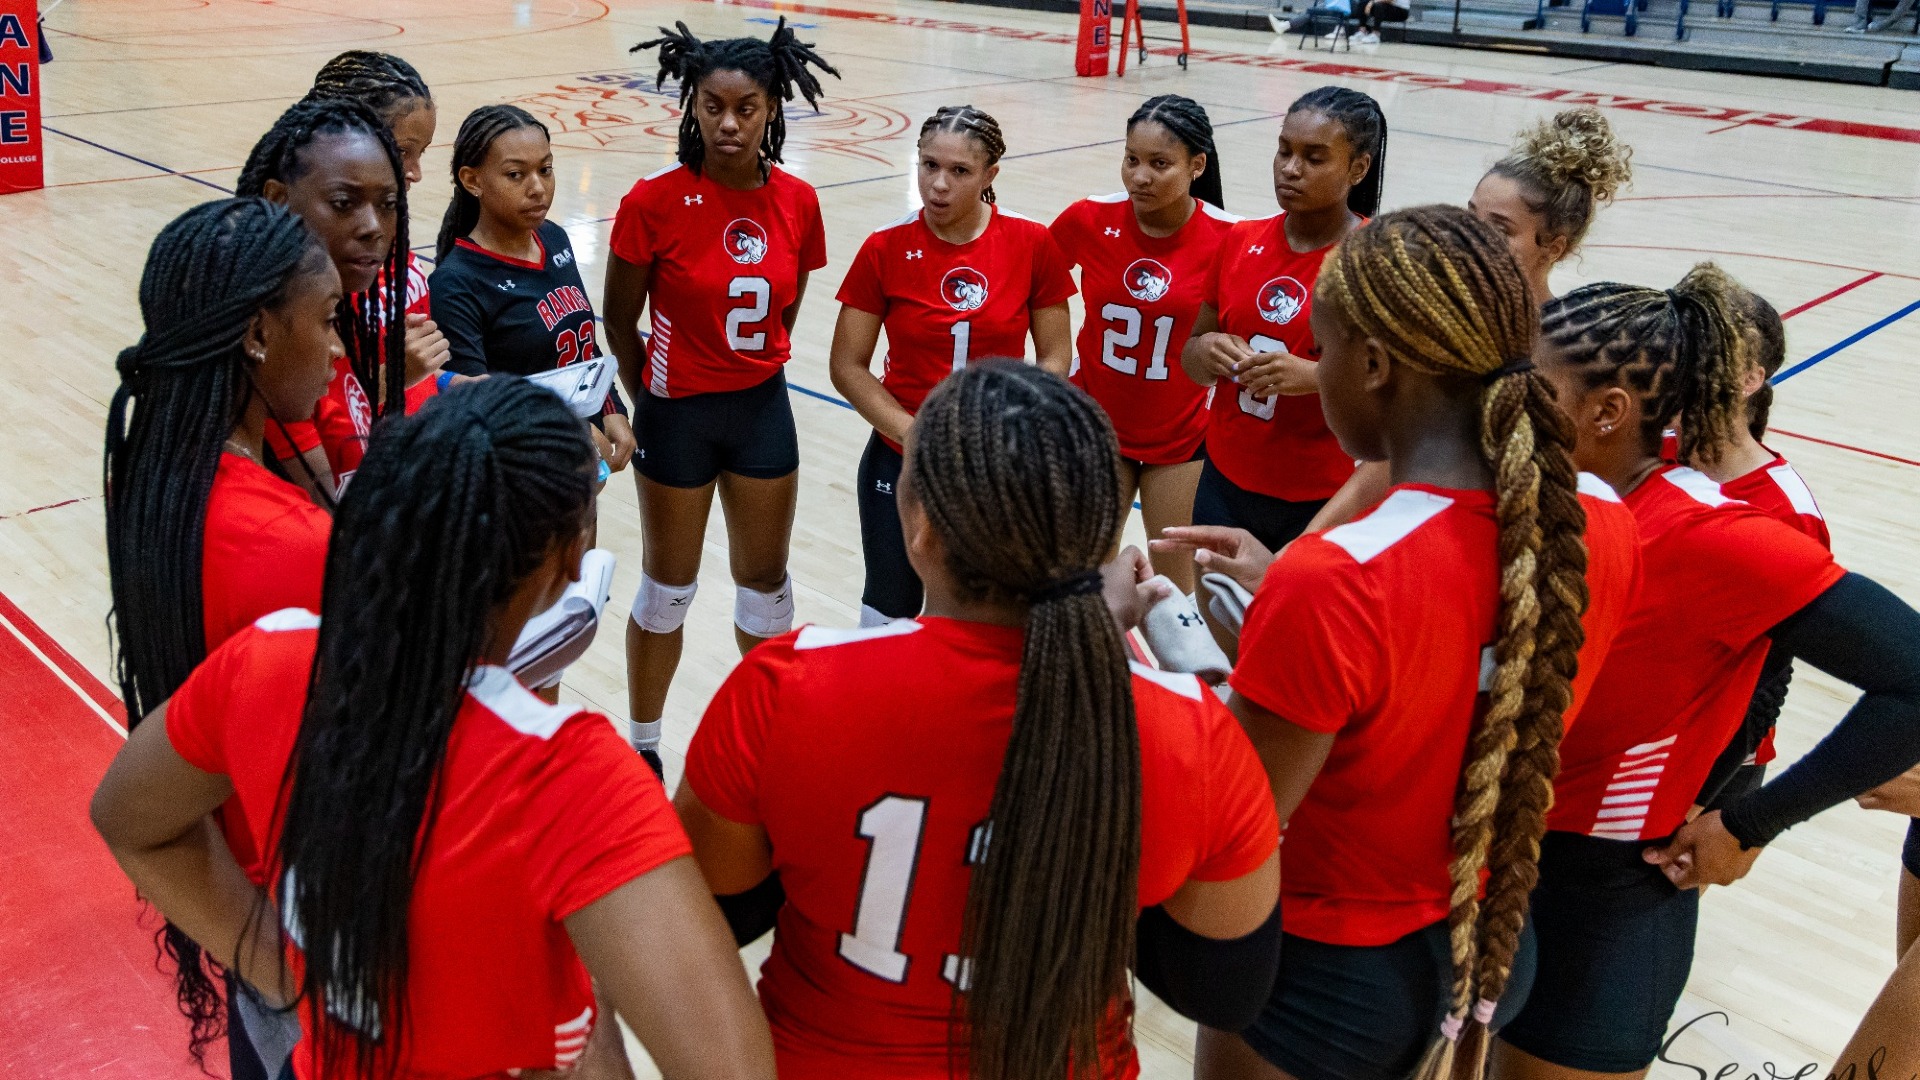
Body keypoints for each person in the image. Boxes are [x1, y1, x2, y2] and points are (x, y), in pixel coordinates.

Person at [89, 378, 778, 1080]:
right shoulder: (571, 771)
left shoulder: (265, 661)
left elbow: (128, 816)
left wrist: (284, 969)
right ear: (573, 561)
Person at [674, 361, 1282, 1080]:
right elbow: (1223, 988)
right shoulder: (1192, 733)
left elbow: (710, 919)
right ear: (1097, 539)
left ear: (922, 528)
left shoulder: (786, 687)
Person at [1191, 206, 1639, 1080]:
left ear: (1371, 362)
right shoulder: (1605, 523)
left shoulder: (1334, 578)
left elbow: (1235, 826)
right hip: (1490, 939)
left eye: (1322, 353)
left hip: (1323, 977)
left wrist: (1154, 681)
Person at [1494, 267, 1920, 1080]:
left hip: (1607, 898)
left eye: (1531, 380)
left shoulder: (1713, 532)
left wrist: (1749, 822)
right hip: (1499, 866)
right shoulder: (1534, 495)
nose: (1507, 395)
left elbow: (1912, 677)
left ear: (1609, 410)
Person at [102, 197, 341, 1074]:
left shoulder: (159, 478)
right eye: (325, 321)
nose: (340, 346)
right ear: (255, 336)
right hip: (307, 934)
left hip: (238, 902)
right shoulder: (288, 546)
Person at [603, 19, 837, 771]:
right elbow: (619, 320)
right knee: (668, 588)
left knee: (765, 586)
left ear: (773, 109)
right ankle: (644, 744)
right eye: (712, 106)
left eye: (746, 108)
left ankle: (767, 737)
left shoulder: (799, 201)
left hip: (763, 409)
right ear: (690, 106)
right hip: (677, 417)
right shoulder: (654, 202)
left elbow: (787, 306)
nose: (728, 123)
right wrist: (657, 398)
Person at [830, 105, 1075, 626]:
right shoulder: (884, 248)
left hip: (997, 463)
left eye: (959, 171)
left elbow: (1056, 354)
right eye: (927, 165)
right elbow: (848, 366)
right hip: (900, 457)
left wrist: (1011, 423)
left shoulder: (1031, 243)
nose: (938, 185)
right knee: (887, 609)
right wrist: (915, 432)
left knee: (987, 616)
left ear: (990, 176)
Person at [1179, 86, 1385, 554]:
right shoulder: (1239, 239)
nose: (1291, 169)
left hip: (1321, 496)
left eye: (1314, 158)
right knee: (1218, 622)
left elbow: (1399, 389)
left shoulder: (1376, 259)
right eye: (1284, 151)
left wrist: (1316, 377)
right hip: (1223, 483)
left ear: (1358, 168)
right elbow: (1190, 359)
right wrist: (1206, 351)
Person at [1050, 94, 1237, 594]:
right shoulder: (1088, 218)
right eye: (1131, 159)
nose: (1139, 176)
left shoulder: (1230, 238)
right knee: (1084, 577)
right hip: (1096, 426)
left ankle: (1171, 677)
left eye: (1159, 164)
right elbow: (1031, 284)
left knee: (1175, 589)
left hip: (1181, 437)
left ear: (1197, 165)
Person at [430, 104, 634, 474]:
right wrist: (568, 428)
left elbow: (582, 345)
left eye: (545, 169)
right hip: (510, 474)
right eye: (515, 174)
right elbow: (477, 400)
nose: (538, 188)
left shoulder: (554, 239)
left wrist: (612, 408)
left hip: (576, 468)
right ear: (472, 180)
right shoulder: (456, 281)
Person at [1683, 283, 1823, 811]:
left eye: (1699, 356)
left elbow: (1770, 675)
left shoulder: (1787, 512)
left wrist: (1701, 795)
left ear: (1750, 379)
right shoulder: (1649, 453)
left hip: (1719, 762)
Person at [238, 97, 414, 499]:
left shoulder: (345, 312)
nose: (373, 227)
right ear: (278, 199)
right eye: (343, 204)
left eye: (388, 205)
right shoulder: (279, 351)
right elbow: (337, 525)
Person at [301, 49, 449, 419]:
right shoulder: (310, 262)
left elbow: (407, 361)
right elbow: (309, 411)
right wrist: (392, 378)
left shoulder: (387, 224)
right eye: (403, 152)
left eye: (422, 153)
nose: (415, 172)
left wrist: (447, 382)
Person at [1469, 107, 1633, 308]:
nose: (1470, 236)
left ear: (1554, 249)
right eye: (1470, 216)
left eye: (1500, 230)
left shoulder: (1561, 336)